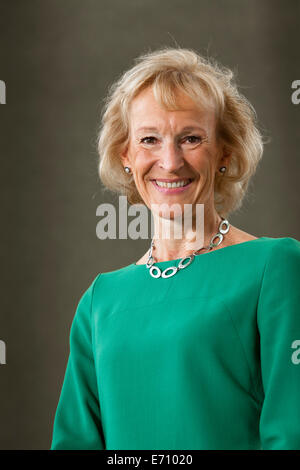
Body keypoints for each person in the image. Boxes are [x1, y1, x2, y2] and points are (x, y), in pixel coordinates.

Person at [50, 47, 300, 450]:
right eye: (149, 139)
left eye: (191, 139)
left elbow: (292, 433)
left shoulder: (276, 268)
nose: (169, 161)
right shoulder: (100, 301)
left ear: (225, 152)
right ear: (125, 156)